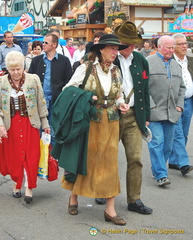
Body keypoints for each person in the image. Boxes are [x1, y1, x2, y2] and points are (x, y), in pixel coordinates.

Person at [52, 34, 129, 225]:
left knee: (110, 164)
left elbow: (119, 94)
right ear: (101, 49)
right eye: (111, 48)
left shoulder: (116, 71)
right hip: (88, 122)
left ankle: (110, 210)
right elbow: (67, 91)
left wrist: (121, 103)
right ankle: (74, 197)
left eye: (117, 49)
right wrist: (87, 98)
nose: (115, 52)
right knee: (84, 161)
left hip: (111, 123)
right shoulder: (85, 68)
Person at [0, 51, 50, 203]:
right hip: (11, 125)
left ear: (23, 67)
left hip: (30, 123)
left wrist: (45, 124)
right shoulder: (1, 82)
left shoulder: (33, 80)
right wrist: (1, 125)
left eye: (18, 69)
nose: (16, 72)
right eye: (12, 69)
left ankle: (29, 186)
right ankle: (17, 183)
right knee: (15, 156)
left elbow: (41, 102)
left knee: (31, 155)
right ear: (8, 69)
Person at [114, 21, 153, 214]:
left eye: (133, 43)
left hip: (134, 115)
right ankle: (105, 193)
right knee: (109, 158)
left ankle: (134, 199)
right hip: (111, 115)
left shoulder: (140, 60)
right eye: (127, 43)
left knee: (136, 158)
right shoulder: (109, 58)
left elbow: (145, 90)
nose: (131, 47)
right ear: (118, 42)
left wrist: (146, 117)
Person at [146, 36, 186, 186]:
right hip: (155, 112)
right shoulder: (149, 62)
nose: (170, 50)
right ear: (158, 47)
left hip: (171, 113)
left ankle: (158, 168)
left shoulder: (176, 66)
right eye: (168, 47)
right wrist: (150, 105)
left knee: (168, 146)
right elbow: (143, 88)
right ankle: (161, 174)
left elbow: (182, 88)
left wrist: (180, 105)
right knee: (156, 142)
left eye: (172, 47)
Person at [28, 33, 73, 145]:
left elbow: (69, 82)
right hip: (39, 101)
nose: (43, 45)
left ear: (54, 45)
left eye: (46, 43)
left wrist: (63, 99)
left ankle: (52, 159)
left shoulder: (64, 61)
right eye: (43, 42)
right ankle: (39, 158)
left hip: (56, 101)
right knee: (38, 129)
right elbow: (29, 81)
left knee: (53, 130)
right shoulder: (36, 60)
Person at [168, 33, 193, 175]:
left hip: (189, 100)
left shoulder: (190, 60)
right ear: (173, 46)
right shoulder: (169, 61)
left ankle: (173, 161)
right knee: (177, 132)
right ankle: (184, 163)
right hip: (174, 101)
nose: (184, 46)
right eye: (181, 44)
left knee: (184, 132)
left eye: (186, 43)